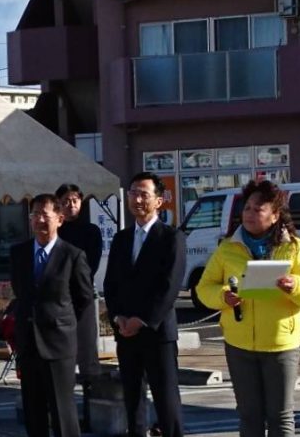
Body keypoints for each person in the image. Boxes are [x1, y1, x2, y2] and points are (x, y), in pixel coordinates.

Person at [196, 180, 300, 436]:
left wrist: (295, 285)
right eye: (247, 208)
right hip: (238, 343)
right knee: (249, 416)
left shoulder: (295, 248)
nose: (250, 214)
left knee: (280, 416)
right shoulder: (227, 248)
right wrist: (224, 296)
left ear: (275, 215)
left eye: (258, 209)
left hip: (281, 345)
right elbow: (203, 289)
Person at [103, 172, 185, 437]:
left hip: (157, 331)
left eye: (144, 194)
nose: (137, 199)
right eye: (133, 193)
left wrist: (144, 319)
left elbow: (169, 287)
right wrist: (117, 317)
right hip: (126, 332)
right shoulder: (122, 238)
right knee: (133, 397)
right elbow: (110, 283)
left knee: (166, 399)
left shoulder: (171, 237)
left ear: (159, 201)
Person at [10, 194, 94, 437]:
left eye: (44, 215)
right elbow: (21, 293)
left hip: (58, 344)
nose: (38, 220)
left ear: (59, 219)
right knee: (33, 411)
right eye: (34, 215)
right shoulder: (19, 253)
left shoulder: (72, 255)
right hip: (28, 343)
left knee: (62, 412)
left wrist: (62, 323)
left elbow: (83, 299)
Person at [56, 183, 102, 430]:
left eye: (75, 200)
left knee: (87, 357)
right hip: (59, 300)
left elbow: (91, 264)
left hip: (83, 297)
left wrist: (78, 286)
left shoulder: (91, 230)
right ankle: (65, 415)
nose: (71, 204)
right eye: (66, 200)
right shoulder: (56, 231)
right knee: (62, 358)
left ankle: (91, 410)